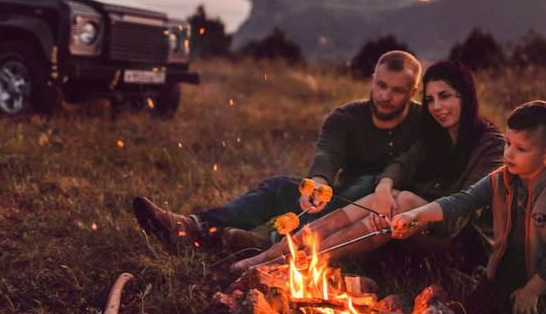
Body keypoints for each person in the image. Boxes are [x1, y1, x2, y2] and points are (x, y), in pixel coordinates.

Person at [230, 60, 505, 273]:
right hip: (417, 225)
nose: (436, 107)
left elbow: (464, 208)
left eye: (445, 96)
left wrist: (414, 216)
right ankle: (271, 256)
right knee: (386, 199)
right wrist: (385, 188)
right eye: (431, 99)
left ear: (465, 96)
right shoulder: (436, 135)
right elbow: (402, 164)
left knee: (404, 200)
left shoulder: (490, 145)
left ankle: (296, 262)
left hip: (463, 243)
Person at [133, 50, 424, 250]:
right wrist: (317, 184)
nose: (385, 96)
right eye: (381, 85)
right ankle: (193, 226)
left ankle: (270, 242)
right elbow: (327, 155)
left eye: (398, 91)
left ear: (412, 93)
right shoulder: (346, 117)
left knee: (369, 184)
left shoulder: (424, 123)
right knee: (279, 186)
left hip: (386, 221)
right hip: (341, 201)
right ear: (373, 80)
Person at [390, 100, 546, 314]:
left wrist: (532, 290)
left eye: (520, 149)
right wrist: (416, 214)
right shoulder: (499, 179)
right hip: (503, 273)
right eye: (507, 144)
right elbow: (461, 201)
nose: (509, 154)